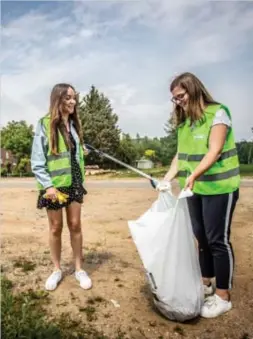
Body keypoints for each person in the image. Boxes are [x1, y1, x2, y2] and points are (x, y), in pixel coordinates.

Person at [159, 72, 240, 318]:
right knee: (201, 239)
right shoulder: (185, 123)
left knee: (218, 241)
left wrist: (192, 176)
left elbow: (214, 151)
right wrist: (167, 178)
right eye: (174, 99)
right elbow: (180, 157)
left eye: (181, 96)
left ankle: (223, 296)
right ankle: (206, 283)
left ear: (194, 90)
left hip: (219, 188)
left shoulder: (217, 113)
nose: (178, 102)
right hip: (194, 191)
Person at [31, 83, 92, 291]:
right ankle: (57, 269)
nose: (72, 101)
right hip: (53, 186)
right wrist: (48, 186)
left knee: (75, 225)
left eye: (74, 97)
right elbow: (37, 160)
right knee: (56, 227)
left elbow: (73, 156)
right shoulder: (44, 124)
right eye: (67, 98)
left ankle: (78, 269)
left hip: (74, 182)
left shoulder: (74, 126)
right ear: (58, 100)